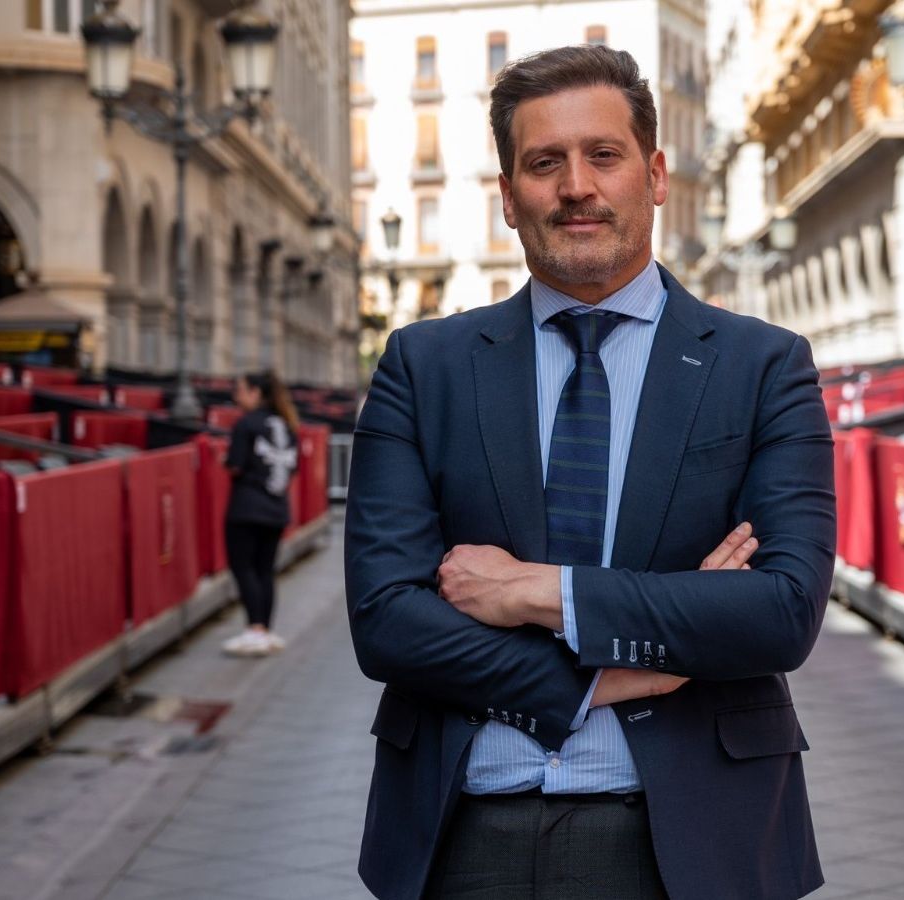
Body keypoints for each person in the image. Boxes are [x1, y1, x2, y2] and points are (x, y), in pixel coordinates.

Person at [345, 45, 835, 900]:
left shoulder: (764, 366)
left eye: (602, 156)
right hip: (462, 831)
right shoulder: (423, 366)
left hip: (693, 838)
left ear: (654, 176)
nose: (576, 185)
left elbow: (780, 612)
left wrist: (541, 592)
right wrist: (621, 674)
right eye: (544, 163)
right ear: (507, 196)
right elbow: (386, 620)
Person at [222, 370, 299, 657]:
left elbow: (235, 464)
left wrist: (226, 462)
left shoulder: (246, 424)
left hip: (246, 508)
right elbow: (292, 466)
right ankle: (265, 629)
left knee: (244, 568)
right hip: (276, 508)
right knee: (265, 571)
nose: (236, 395)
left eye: (240, 389)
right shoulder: (287, 424)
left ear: (256, 392)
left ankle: (254, 630)